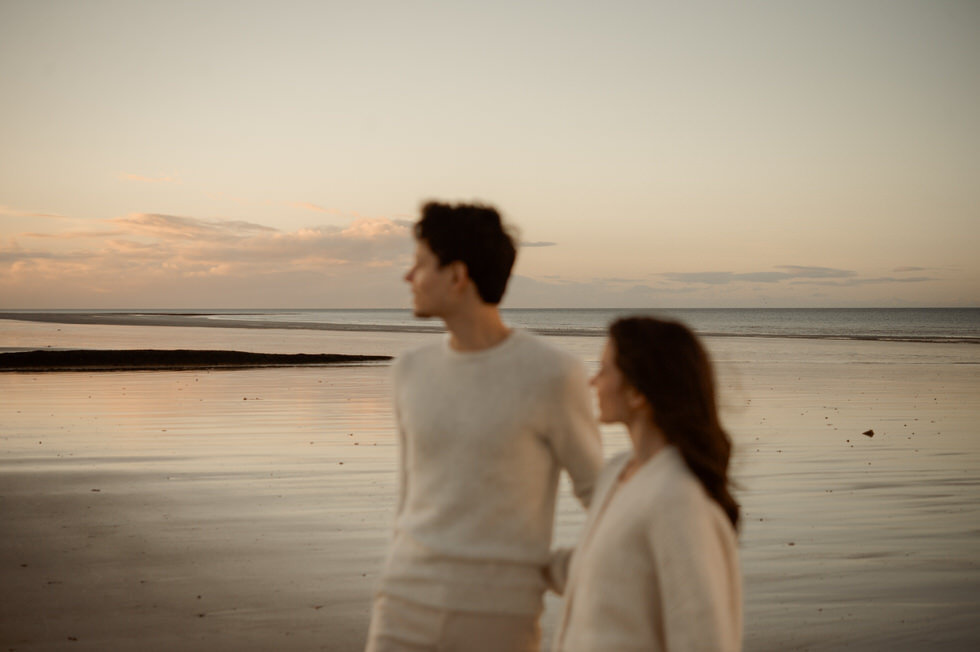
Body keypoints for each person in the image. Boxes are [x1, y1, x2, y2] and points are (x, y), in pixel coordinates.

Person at [365, 201, 603, 652]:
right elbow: (409, 495)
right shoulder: (409, 370)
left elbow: (601, 497)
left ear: (457, 276)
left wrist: (570, 570)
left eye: (419, 264)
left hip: (498, 617)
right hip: (401, 605)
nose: (408, 278)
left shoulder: (553, 373)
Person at [548, 316, 742, 652]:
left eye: (605, 369)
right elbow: (602, 572)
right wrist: (528, 561)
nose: (593, 381)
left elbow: (702, 637)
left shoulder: (677, 500)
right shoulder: (617, 471)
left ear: (637, 392)